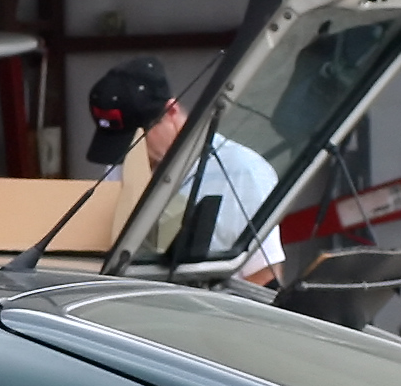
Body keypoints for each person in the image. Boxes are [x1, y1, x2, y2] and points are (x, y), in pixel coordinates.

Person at [87, 56, 283, 284]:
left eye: (137, 138)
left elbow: (263, 275)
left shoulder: (243, 172)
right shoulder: (122, 165)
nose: (131, 153)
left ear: (171, 111)